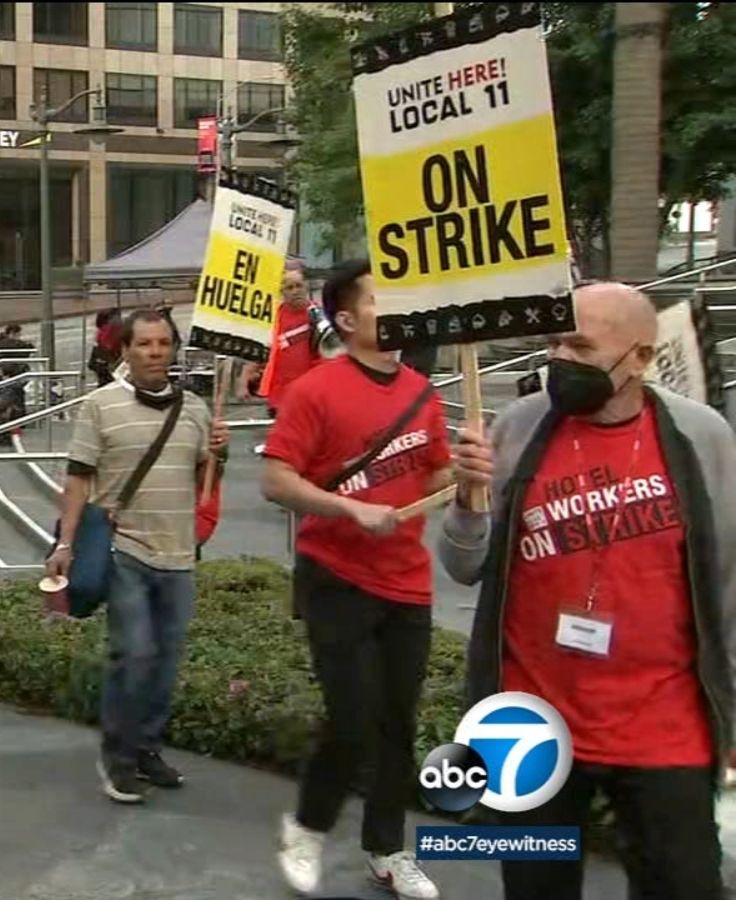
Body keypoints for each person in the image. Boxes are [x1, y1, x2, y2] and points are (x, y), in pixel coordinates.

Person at [439, 282, 736, 900]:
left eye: (579, 345)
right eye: (554, 343)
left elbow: (727, 582)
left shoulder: (702, 436)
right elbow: (463, 567)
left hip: (665, 727)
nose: (562, 360)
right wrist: (468, 506)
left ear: (641, 358)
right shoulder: (517, 427)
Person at [260, 260, 451, 900]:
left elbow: (436, 482)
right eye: (377, 301)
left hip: (407, 581)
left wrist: (474, 477)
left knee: (398, 721)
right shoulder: (316, 390)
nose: (392, 310)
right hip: (335, 575)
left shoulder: (425, 396)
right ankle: (308, 827)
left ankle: (388, 849)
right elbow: (276, 480)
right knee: (352, 716)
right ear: (345, 319)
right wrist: (349, 507)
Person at [45, 309, 229, 804]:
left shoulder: (194, 408)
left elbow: (202, 481)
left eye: (163, 343)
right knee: (135, 654)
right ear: (124, 350)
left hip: (179, 553)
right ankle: (119, 757)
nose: (154, 352)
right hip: (124, 548)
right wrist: (64, 544)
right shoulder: (101, 405)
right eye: (144, 343)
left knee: (166, 661)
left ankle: (148, 747)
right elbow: (78, 477)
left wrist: (219, 454)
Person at [257, 263, 319, 415]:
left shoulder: (319, 316)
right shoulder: (272, 317)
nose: (295, 291)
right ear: (282, 292)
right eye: (289, 288)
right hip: (279, 397)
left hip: (312, 396)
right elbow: (260, 349)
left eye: (299, 286)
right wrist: (244, 380)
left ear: (306, 287)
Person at [90, 310, 122, 387]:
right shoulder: (110, 329)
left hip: (101, 361)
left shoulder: (101, 331)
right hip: (110, 360)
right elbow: (109, 345)